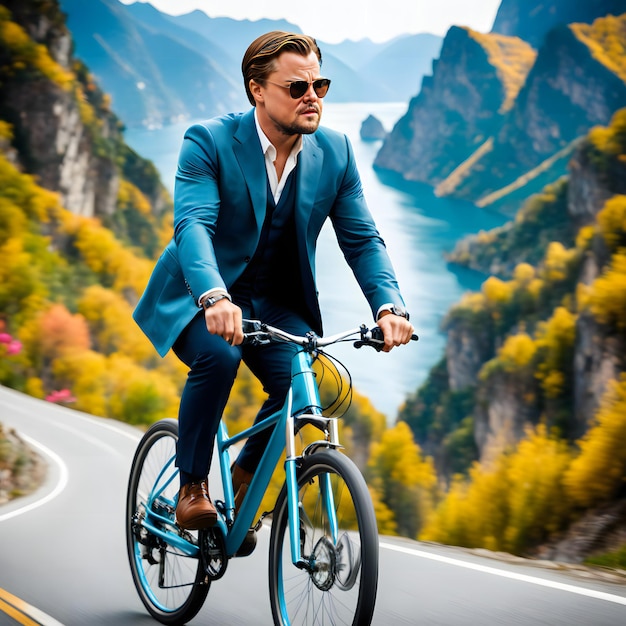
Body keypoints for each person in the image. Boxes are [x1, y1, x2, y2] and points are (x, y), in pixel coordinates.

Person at [133, 31, 414, 532]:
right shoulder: (208, 141)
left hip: (276, 300)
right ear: (257, 90)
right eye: (297, 87)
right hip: (202, 295)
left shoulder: (336, 152)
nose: (313, 97)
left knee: (308, 386)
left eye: (320, 85)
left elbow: (363, 240)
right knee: (219, 356)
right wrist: (214, 296)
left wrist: (390, 307)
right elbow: (193, 225)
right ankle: (192, 484)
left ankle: (244, 480)